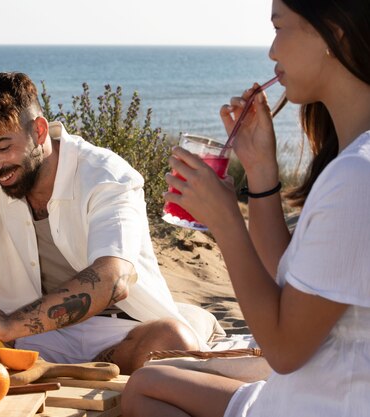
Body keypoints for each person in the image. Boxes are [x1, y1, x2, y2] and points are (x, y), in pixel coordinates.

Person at [121, 0, 370, 415]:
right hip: (325, 380)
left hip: (327, 400)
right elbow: (285, 277)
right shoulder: (352, 163)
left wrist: (226, 221)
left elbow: (284, 351)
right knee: (151, 379)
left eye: (279, 27)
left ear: (334, 33)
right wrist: (260, 170)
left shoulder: (355, 176)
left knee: (145, 389)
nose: (272, 51)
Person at [0, 71, 205, 375]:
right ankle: (58, 370)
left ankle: (65, 370)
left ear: (39, 132)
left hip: (119, 333)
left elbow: (113, 280)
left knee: (174, 340)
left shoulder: (107, 176)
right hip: (24, 338)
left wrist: (6, 324)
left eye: (2, 148)